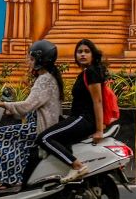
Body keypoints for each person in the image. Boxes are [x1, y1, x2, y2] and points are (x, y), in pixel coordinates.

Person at [0, 39, 63, 193]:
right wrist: (10, 110)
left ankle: (12, 180)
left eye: (32, 59)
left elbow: (27, 105)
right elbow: (32, 106)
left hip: (39, 129)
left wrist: (0, 105)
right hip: (38, 126)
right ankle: (15, 177)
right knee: (10, 135)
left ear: (40, 60)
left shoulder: (44, 80)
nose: (28, 61)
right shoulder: (46, 78)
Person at [39, 38, 109, 183]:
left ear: (93, 55)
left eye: (86, 51)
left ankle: (77, 167)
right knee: (58, 138)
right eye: (79, 52)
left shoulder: (91, 72)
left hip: (83, 119)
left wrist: (99, 130)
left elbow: (98, 101)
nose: (82, 54)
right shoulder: (85, 73)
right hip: (78, 118)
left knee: (44, 138)